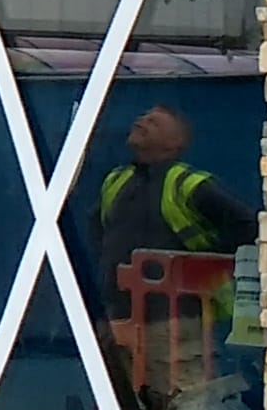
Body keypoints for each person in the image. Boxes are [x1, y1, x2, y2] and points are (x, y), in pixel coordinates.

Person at [92, 99, 256, 325]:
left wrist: (200, 268)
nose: (141, 122)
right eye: (142, 117)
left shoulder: (188, 184)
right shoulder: (116, 180)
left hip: (173, 322)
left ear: (174, 143)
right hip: (118, 318)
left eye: (154, 123)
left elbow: (248, 227)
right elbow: (98, 236)